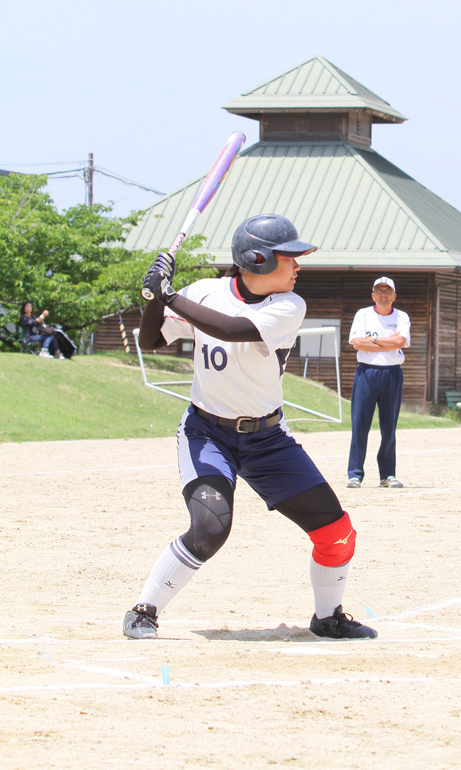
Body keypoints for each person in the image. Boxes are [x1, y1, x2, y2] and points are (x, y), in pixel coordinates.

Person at [122, 213, 377, 642]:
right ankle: (144, 610)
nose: (297, 266)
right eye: (289, 257)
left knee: (336, 533)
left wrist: (169, 295)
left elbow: (231, 329)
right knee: (210, 529)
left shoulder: (289, 305)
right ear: (258, 259)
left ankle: (328, 617)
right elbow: (150, 341)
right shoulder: (204, 292)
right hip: (207, 433)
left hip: (267, 439)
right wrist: (153, 297)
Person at [346, 276, 411, 489]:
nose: (384, 295)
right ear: (373, 295)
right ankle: (355, 474)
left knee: (389, 426)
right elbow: (357, 343)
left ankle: (387, 474)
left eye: (387, 291)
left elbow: (400, 341)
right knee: (359, 424)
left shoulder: (401, 316)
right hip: (367, 373)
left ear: (394, 296)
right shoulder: (363, 314)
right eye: (379, 291)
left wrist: (372, 340)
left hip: (392, 374)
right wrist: (387, 343)